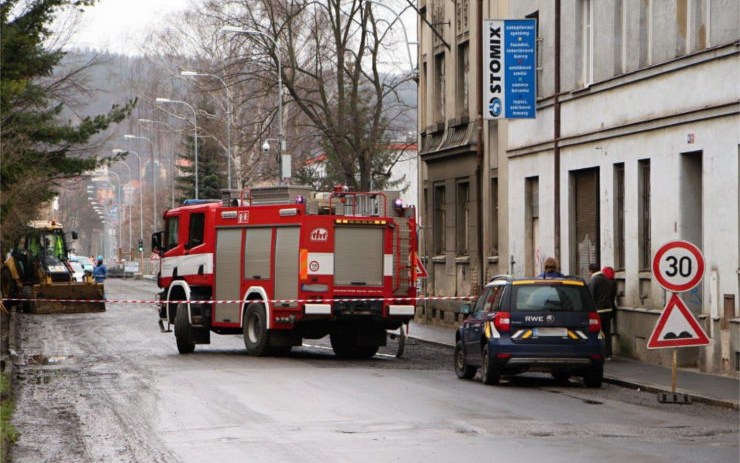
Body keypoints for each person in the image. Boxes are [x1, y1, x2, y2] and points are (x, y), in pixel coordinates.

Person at [588, 265, 617, 358]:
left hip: (598, 310)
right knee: (607, 332)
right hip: (608, 309)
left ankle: (599, 352)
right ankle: (608, 353)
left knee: (597, 332)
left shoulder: (594, 280)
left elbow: (591, 296)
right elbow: (611, 294)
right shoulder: (606, 279)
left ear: (591, 271)